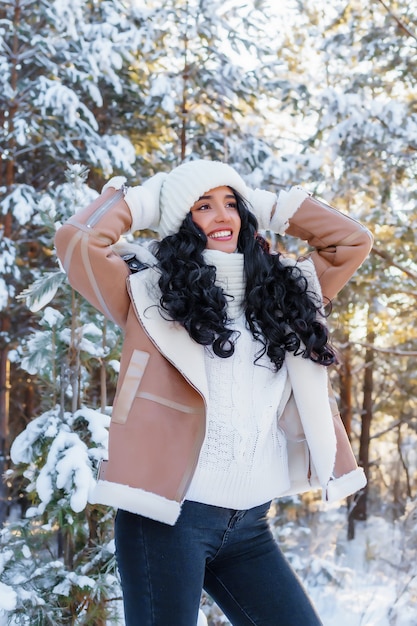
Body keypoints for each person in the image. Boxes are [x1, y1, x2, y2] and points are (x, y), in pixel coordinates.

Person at [55, 159, 373, 626]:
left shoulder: (287, 291)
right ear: (180, 221)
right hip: (167, 521)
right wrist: (145, 201)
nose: (223, 216)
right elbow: (78, 240)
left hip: (249, 526)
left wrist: (265, 204)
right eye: (203, 206)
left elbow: (351, 240)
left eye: (231, 204)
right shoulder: (146, 293)